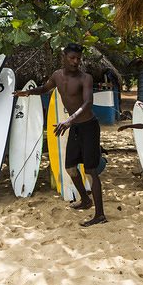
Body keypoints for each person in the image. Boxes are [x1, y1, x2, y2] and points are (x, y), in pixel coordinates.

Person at [12, 43, 107, 227]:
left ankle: (100, 214)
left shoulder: (85, 78)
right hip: (75, 127)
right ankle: (85, 200)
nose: (76, 61)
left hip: (89, 127)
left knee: (90, 171)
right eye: (72, 58)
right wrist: (27, 93)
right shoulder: (57, 75)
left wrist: (69, 119)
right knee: (71, 167)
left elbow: (88, 103)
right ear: (64, 56)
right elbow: (45, 88)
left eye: (78, 58)